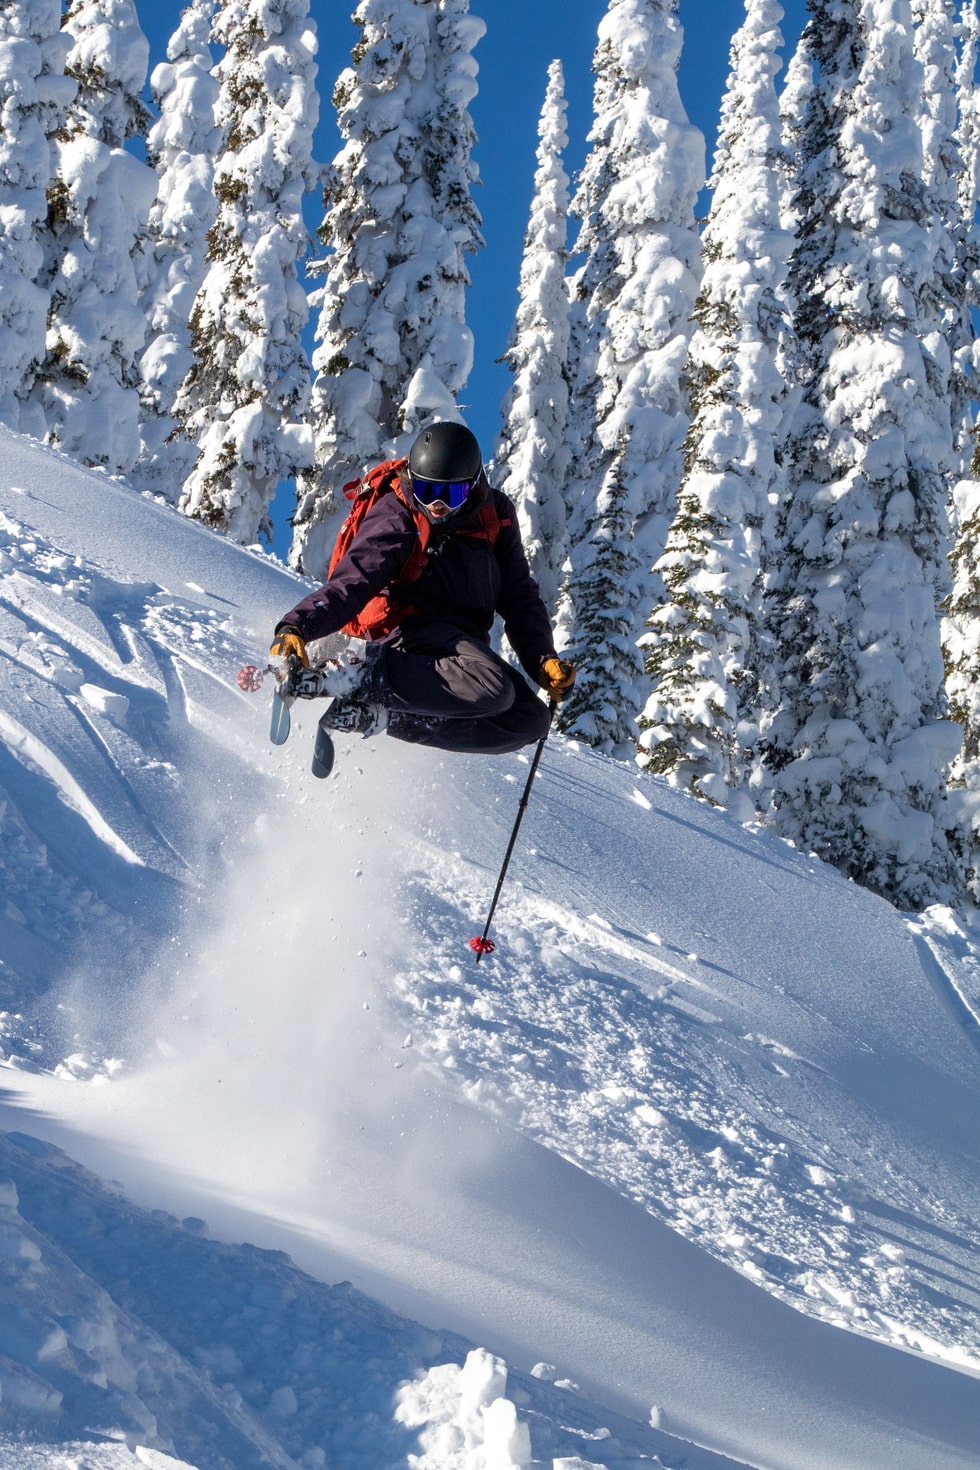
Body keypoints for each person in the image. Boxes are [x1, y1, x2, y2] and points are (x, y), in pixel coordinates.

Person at [270, 421, 575, 755]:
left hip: (456, 642)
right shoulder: (399, 515)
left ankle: (377, 717)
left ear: (472, 487)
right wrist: (296, 626)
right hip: (405, 632)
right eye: (427, 492)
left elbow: (517, 594)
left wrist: (542, 659)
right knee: (491, 688)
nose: (437, 505)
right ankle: (356, 670)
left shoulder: (495, 515)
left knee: (530, 720)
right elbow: (355, 579)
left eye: (451, 494)